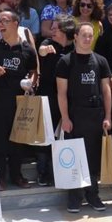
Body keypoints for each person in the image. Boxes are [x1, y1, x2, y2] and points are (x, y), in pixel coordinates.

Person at [57, 22, 112, 213]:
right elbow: (61, 93)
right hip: (75, 114)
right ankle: (74, 197)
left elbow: (106, 90)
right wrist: (65, 118)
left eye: (90, 36)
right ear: (76, 37)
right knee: (75, 157)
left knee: (93, 157)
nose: (88, 39)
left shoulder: (101, 61)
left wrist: (108, 115)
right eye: (84, 35)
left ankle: (92, 195)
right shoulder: (66, 61)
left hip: (95, 114)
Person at [0, 10, 38, 190]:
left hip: (20, 102)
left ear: (16, 24)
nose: (1, 24)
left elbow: (34, 72)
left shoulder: (27, 49)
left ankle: (17, 175)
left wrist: (31, 83)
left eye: (5, 21)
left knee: (18, 139)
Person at [36, 15, 76, 186]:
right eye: (51, 28)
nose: (51, 31)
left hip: (69, 96)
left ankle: (62, 171)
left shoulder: (74, 47)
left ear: (65, 31)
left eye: (55, 29)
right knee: (46, 136)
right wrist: (45, 51)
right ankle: (43, 172)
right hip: (48, 96)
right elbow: (41, 50)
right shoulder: (47, 43)